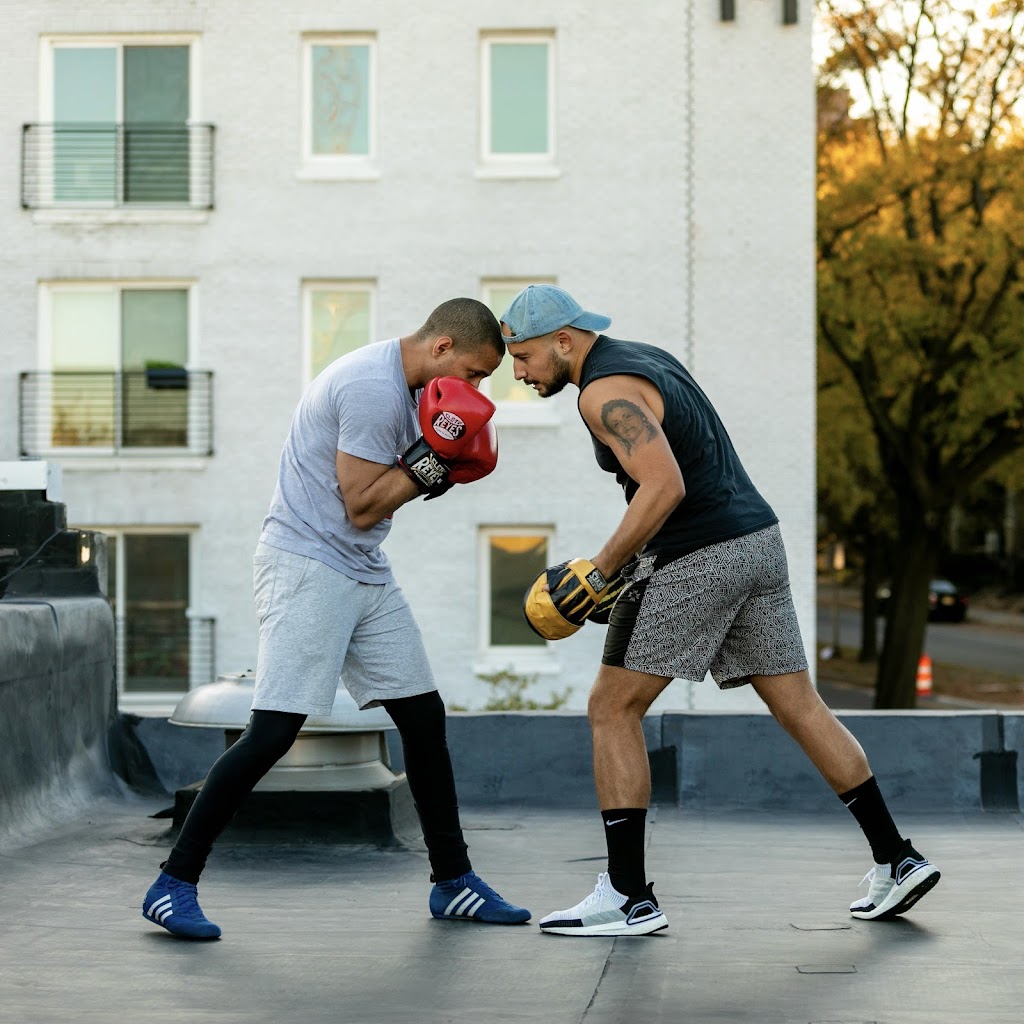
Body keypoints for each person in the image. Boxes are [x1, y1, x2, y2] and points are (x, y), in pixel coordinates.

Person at [501, 284, 939, 937]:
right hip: (757, 542)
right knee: (800, 705)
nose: (518, 373)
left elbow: (664, 485)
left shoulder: (601, 393)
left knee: (611, 708)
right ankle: (897, 858)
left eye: (524, 357)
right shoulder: (646, 359)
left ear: (564, 341)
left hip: (698, 556)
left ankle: (628, 897)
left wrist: (601, 570)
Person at [143, 297, 531, 938]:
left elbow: (384, 500)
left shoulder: (418, 390)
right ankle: (172, 884)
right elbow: (363, 504)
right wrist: (436, 462)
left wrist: (437, 469)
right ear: (441, 347)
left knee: (422, 718)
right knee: (273, 732)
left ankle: (453, 882)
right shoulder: (372, 388)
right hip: (308, 565)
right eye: (475, 374)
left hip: (362, 567)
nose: (477, 390)